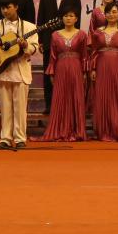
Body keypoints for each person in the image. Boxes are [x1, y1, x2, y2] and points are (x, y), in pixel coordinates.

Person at [0, 0, 37, 149]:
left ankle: (20, 139)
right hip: (3, 71)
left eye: (8, 7)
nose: (5, 11)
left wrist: (26, 45)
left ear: (16, 7)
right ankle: (5, 138)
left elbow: (34, 48)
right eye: (2, 8)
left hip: (21, 70)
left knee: (20, 108)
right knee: (5, 107)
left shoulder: (29, 26)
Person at [37, 0, 82, 114]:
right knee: (48, 72)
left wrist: (75, 40)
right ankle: (49, 105)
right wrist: (41, 40)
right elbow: (41, 19)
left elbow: (77, 21)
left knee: (66, 74)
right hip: (48, 40)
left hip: (67, 42)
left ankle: (67, 104)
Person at [44, 8, 89, 142]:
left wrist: (84, 72)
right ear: (62, 18)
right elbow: (52, 56)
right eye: (65, 16)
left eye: (71, 16)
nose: (68, 18)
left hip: (76, 68)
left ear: (76, 19)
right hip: (61, 69)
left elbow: (85, 55)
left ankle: (77, 130)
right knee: (60, 97)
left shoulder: (82, 35)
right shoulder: (55, 35)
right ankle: (59, 129)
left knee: (76, 97)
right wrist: (51, 73)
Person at [89, 2, 118, 142]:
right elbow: (94, 52)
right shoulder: (97, 32)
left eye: (114, 12)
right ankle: (103, 131)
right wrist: (93, 68)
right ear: (105, 15)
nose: (111, 15)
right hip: (102, 68)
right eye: (108, 12)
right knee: (103, 97)